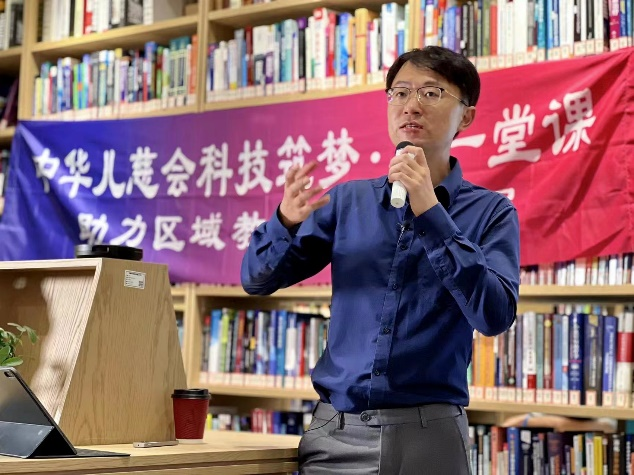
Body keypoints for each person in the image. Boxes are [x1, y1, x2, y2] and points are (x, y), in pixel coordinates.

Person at [241, 46, 520, 475]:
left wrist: (431, 213)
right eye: (400, 92)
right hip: (336, 435)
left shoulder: (492, 212)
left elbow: (495, 316)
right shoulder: (346, 200)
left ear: (465, 117)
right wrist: (285, 221)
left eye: (431, 93)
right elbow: (256, 280)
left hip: (431, 436)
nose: (411, 105)